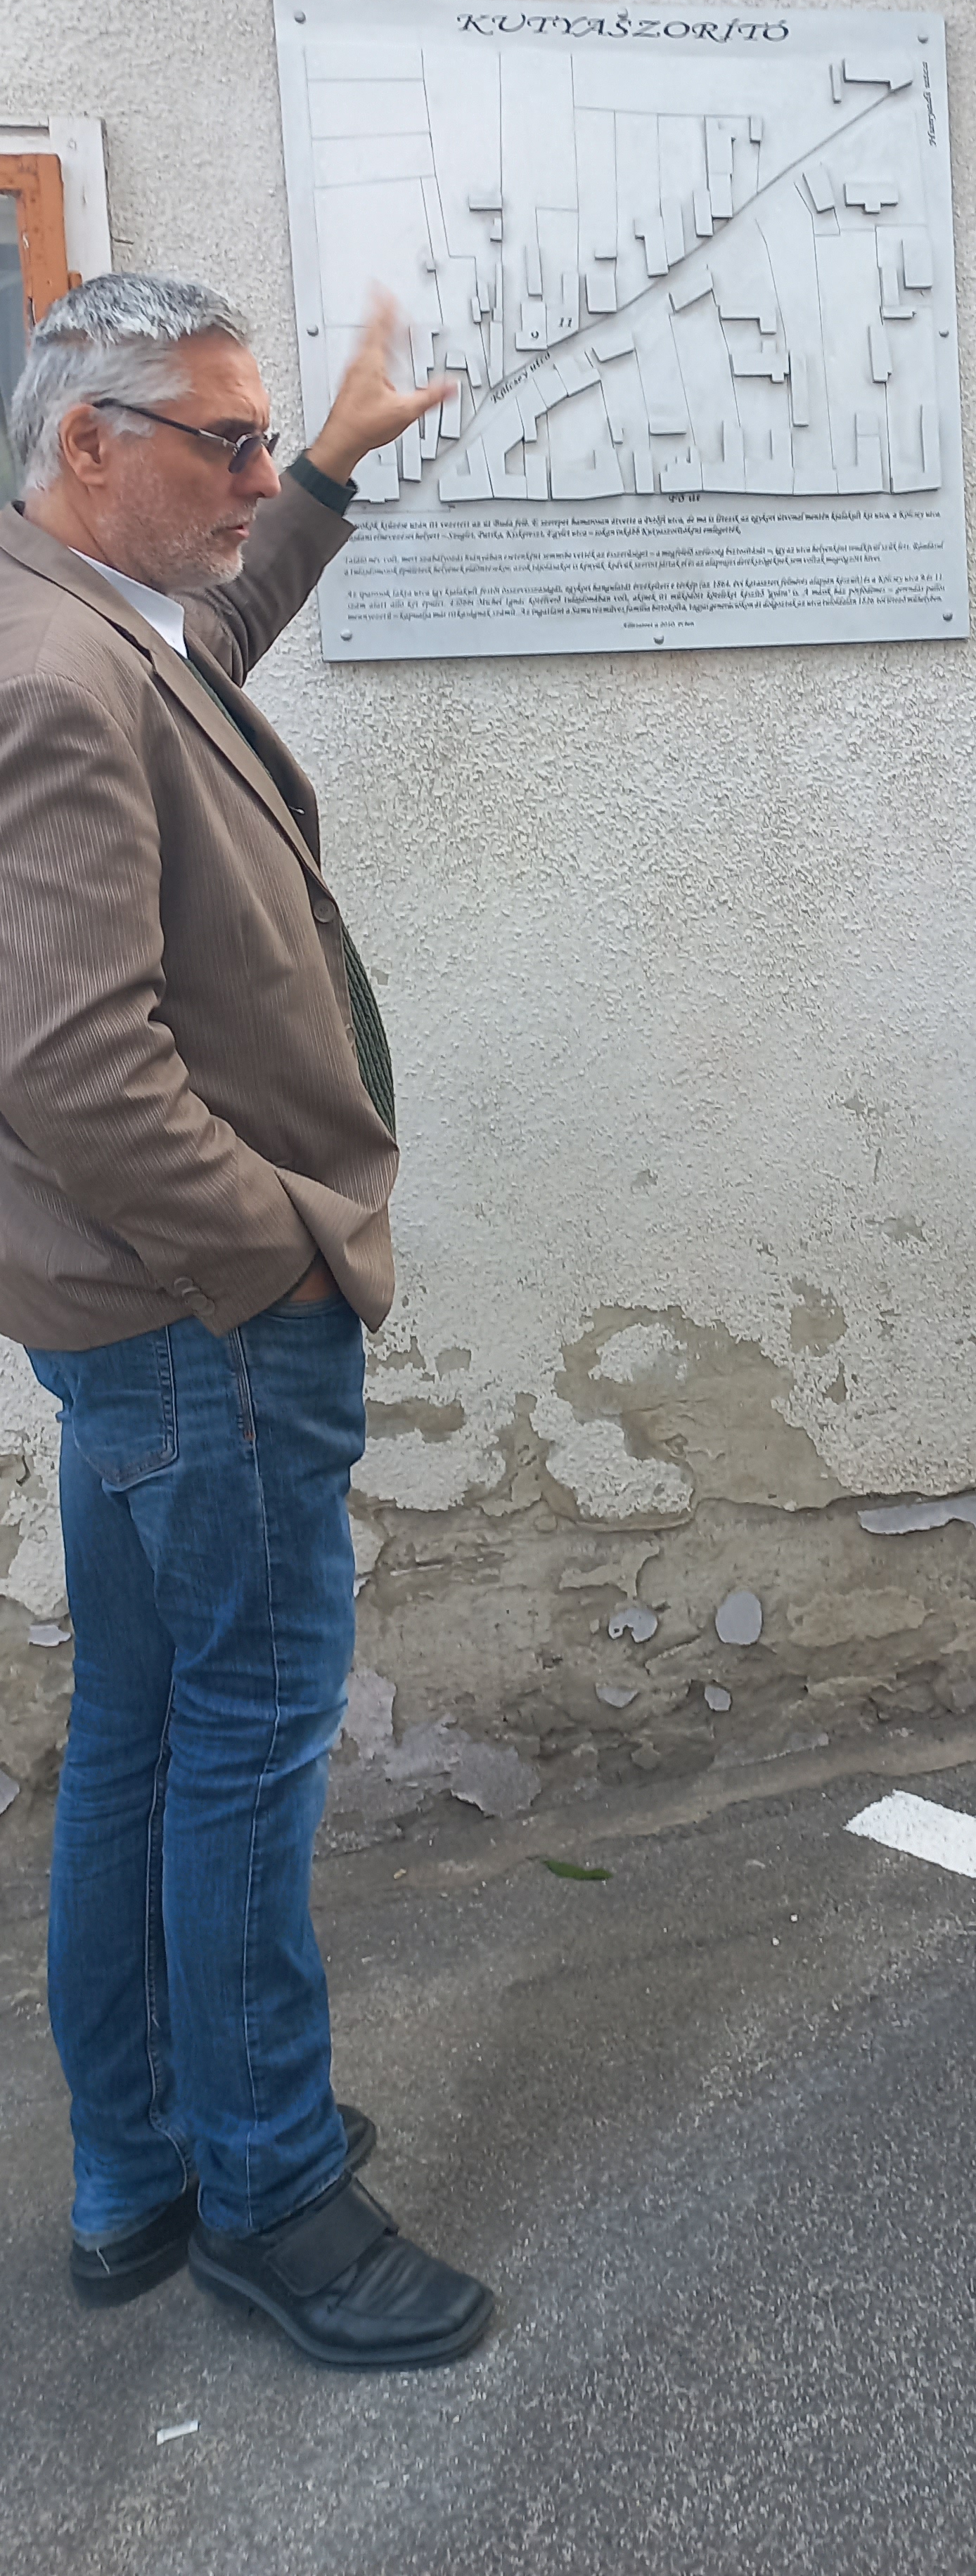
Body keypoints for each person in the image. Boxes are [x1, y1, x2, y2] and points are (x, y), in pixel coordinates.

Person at [0, 273, 494, 2363]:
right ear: (85, 442)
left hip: (140, 1322)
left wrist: (326, 478)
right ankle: (272, 2190)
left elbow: (215, 637)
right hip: (204, 1320)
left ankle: (142, 2165)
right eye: (223, 441)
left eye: (260, 436)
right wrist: (277, 1254)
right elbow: (70, 1067)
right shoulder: (51, 674)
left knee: (143, 1729)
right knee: (243, 1753)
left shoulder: (104, 617)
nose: (248, 475)